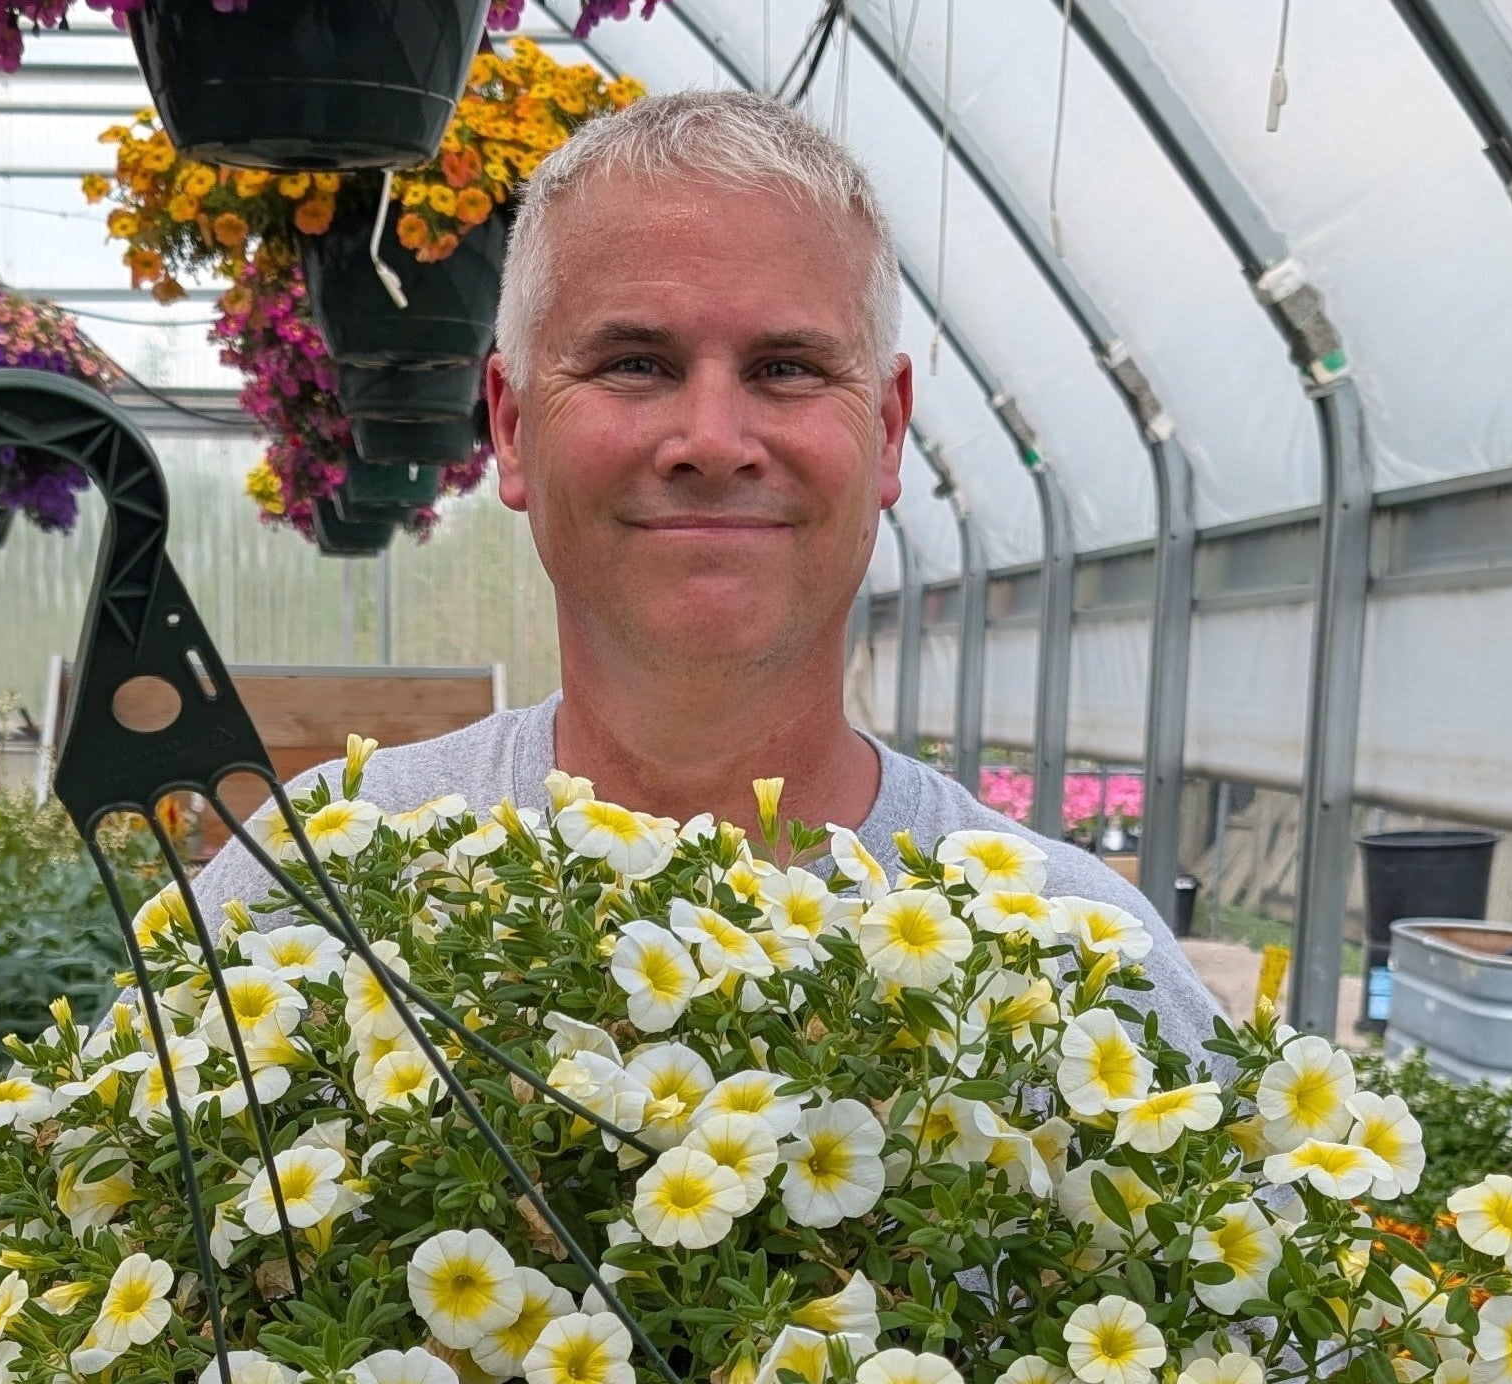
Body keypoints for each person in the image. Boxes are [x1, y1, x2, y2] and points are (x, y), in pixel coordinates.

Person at [197, 86, 1213, 1054]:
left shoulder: (1082, 961)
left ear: (889, 432)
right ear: (510, 428)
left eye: (788, 369)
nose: (712, 441)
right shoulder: (318, 885)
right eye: (635, 364)